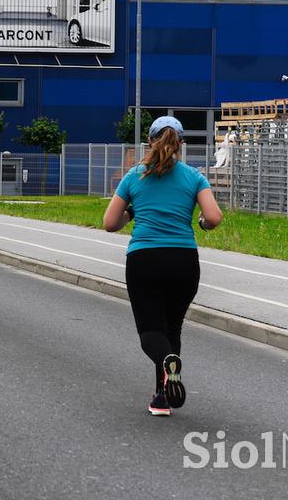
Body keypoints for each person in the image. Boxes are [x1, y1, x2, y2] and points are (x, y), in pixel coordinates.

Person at [102, 116, 223, 417]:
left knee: (150, 332)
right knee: (172, 327)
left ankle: (167, 364)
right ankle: (162, 397)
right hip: (183, 260)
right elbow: (214, 217)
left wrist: (132, 212)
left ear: (150, 142)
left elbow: (109, 224)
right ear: (181, 143)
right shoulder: (194, 177)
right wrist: (201, 223)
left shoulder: (134, 177)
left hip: (145, 259)